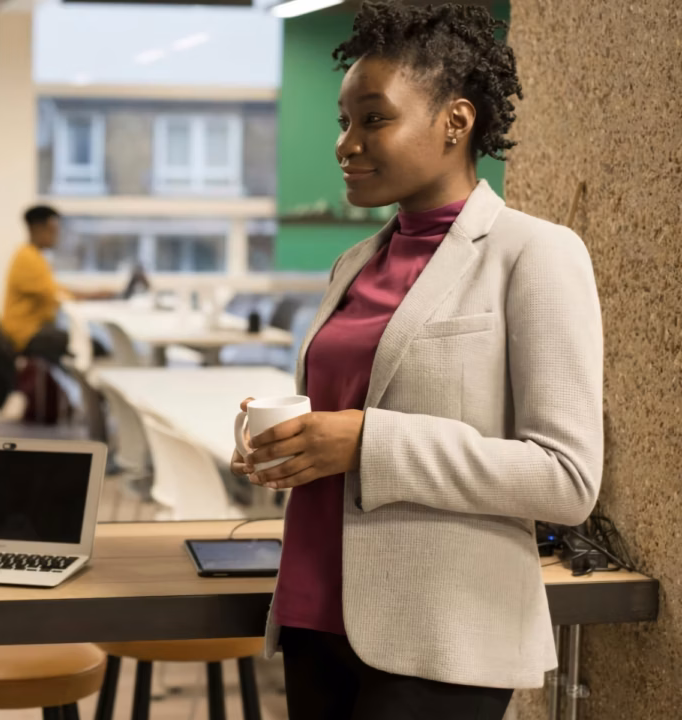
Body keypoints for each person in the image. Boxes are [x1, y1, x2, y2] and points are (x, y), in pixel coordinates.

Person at [231, 3, 602, 719]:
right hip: (315, 613)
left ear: (455, 122)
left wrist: (368, 441)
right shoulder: (353, 263)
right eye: (344, 121)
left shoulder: (536, 254)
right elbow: (337, 425)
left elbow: (567, 478)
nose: (346, 143)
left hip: (440, 636)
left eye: (374, 119)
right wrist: (288, 443)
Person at [0, 205, 110, 365]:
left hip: (32, 331)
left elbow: (56, 289)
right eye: (53, 230)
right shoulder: (27, 259)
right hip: (24, 335)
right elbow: (57, 296)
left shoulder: (33, 256)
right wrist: (94, 296)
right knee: (92, 347)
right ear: (37, 229)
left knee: (82, 344)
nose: (56, 235)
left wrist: (95, 294)